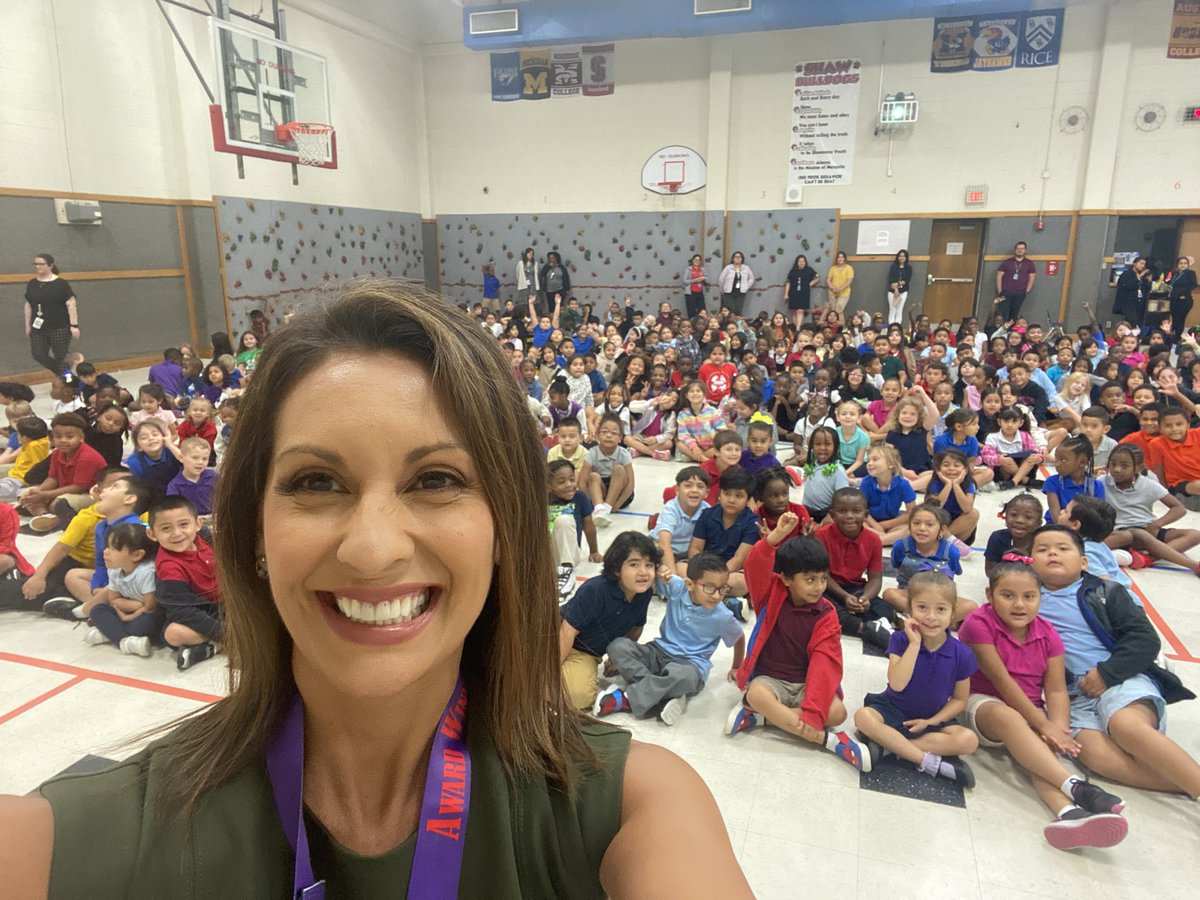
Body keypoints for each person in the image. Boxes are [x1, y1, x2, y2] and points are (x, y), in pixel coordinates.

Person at [9, 284, 752, 896]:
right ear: (252, 532)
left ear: (505, 531)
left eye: (436, 480)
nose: (371, 548)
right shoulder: (78, 842)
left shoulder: (634, 809)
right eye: (315, 482)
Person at [959, 563, 1129, 850]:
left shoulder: (1049, 634)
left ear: (1041, 598)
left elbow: (1056, 688)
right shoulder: (978, 624)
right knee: (1011, 718)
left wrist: (1057, 729)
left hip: (1028, 709)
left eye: (1029, 596)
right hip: (980, 703)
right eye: (1008, 595)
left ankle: (1067, 813)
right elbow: (1002, 682)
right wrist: (1043, 725)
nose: (1019, 604)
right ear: (990, 594)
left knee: (1045, 750)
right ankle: (1078, 786)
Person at [1029, 525, 1200, 801]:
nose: (1053, 553)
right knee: (1093, 756)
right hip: (1072, 697)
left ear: (1083, 561)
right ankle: (1185, 780)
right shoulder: (1025, 597)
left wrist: (1107, 674)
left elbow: (1144, 639)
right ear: (1030, 561)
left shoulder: (1106, 592)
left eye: (1063, 548)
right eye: (1042, 549)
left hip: (1122, 679)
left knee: (1126, 726)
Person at [725, 525, 871, 768]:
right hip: (771, 680)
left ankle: (762, 719)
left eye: (823, 578)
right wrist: (774, 538)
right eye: (810, 579)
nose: (819, 586)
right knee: (756, 694)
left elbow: (825, 663)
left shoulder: (826, 614)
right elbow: (754, 567)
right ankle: (829, 741)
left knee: (838, 713)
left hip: (806, 683)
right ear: (786, 578)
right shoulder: (771, 594)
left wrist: (813, 711)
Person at [853, 572, 979, 785]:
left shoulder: (962, 654)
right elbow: (897, 684)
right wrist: (914, 645)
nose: (931, 616)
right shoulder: (900, 640)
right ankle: (926, 761)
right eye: (922, 608)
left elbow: (959, 700)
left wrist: (932, 721)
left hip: (931, 717)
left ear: (953, 613)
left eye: (941, 609)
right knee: (863, 717)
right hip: (892, 708)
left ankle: (888, 746)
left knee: (968, 740)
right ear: (909, 609)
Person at [596, 554, 745, 726]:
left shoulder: (723, 616)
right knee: (617, 646)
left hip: (690, 664)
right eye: (710, 588)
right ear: (689, 584)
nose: (717, 596)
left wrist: (736, 666)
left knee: (683, 676)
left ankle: (627, 698)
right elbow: (654, 576)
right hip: (658, 651)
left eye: (723, 589)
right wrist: (660, 570)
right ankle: (661, 695)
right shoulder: (677, 587)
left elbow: (739, 637)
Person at [814, 487, 889, 647]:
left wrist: (866, 598)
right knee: (820, 607)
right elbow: (823, 575)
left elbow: (875, 578)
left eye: (856, 511)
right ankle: (864, 628)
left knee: (885, 609)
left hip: (856, 588)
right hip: (827, 587)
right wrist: (844, 597)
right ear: (832, 515)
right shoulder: (821, 536)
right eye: (842, 511)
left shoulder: (874, 540)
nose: (849, 516)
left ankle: (873, 621)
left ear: (866, 515)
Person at [18, 412, 107, 532]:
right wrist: (38, 491)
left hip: (91, 495)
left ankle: (55, 516)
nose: (63, 440)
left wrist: (44, 495)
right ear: (52, 438)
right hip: (66, 490)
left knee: (61, 502)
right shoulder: (56, 453)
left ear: (81, 438)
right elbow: (52, 478)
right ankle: (45, 515)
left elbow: (78, 488)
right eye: (58, 436)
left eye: (69, 437)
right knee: (24, 493)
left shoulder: (87, 456)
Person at [686, 467, 761, 600]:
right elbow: (696, 548)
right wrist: (700, 571)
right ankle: (724, 600)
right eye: (727, 494)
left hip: (730, 572)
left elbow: (739, 559)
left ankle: (699, 594)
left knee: (741, 583)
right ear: (719, 494)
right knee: (681, 568)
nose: (731, 500)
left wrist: (716, 577)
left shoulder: (752, 523)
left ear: (748, 499)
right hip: (703, 566)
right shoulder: (707, 515)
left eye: (738, 496)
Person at [24, 253, 80, 375]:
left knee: (61, 356)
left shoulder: (60, 283)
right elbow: (28, 305)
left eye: (41, 264)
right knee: (38, 354)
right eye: (36, 264)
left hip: (59, 326)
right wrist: (28, 325)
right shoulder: (32, 283)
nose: (38, 267)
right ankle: (66, 374)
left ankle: (68, 381)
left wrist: (74, 325)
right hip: (39, 326)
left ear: (50, 265)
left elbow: (71, 304)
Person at [652, 466, 712, 575]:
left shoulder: (707, 510)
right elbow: (664, 543)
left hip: (686, 552)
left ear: (707, 493)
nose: (694, 490)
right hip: (660, 546)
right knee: (656, 568)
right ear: (677, 490)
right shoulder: (670, 509)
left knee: (689, 571)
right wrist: (673, 576)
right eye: (688, 486)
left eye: (700, 486)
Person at [579, 413, 636, 525]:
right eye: (604, 431)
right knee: (593, 476)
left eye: (614, 433)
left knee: (619, 469)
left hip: (620, 495)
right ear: (597, 435)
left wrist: (617, 505)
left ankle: (607, 507)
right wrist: (591, 501)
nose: (608, 435)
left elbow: (630, 484)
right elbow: (582, 483)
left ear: (620, 438)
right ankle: (600, 508)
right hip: (600, 492)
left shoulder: (623, 454)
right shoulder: (592, 453)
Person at [994, 241, 1036, 321]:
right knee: (1002, 313)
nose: (1020, 250)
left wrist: (1027, 291)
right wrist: (1000, 291)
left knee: (1014, 314)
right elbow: (999, 276)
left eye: (1022, 249)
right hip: (1006, 292)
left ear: (1025, 250)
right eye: (1018, 248)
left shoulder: (1029, 263)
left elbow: (1032, 277)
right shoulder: (1007, 262)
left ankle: (1011, 331)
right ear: (1015, 250)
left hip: (1020, 293)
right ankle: (1001, 331)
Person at [784, 253, 819, 331]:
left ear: (805, 262)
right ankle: (796, 327)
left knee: (800, 311)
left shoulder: (809, 270)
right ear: (797, 262)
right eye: (800, 261)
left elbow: (817, 277)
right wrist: (786, 294)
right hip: (793, 293)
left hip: (804, 293)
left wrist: (810, 283)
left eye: (803, 261)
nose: (801, 263)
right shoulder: (793, 271)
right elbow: (788, 282)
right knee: (794, 311)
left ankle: (798, 328)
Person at [1113, 256, 1149, 331]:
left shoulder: (1143, 276)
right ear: (1134, 264)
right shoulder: (1127, 274)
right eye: (1141, 263)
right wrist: (1139, 278)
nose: (1142, 266)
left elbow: (1145, 287)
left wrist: (1148, 281)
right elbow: (1129, 286)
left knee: (1139, 320)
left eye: (1144, 264)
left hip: (1138, 301)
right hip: (1127, 302)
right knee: (1132, 320)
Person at [1168, 256, 1197, 346]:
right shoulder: (1174, 273)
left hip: (1184, 299)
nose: (1183, 265)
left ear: (1188, 265)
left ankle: (1177, 338)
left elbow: (1193, 285)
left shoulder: (1190, 273)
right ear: (1177, 265)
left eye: (1185, 263)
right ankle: (1173, 336)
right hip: (1174, 299)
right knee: (1174, 318)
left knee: (1180, 318)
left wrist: (1183, 293)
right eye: (1181, 263)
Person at [717, 251, 754, 317]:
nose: (738, 258)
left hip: (740, 293)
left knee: (738, 310)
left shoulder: (746, 268)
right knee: (731, 310)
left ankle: (737, 325)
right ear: (733, 258)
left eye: (739, 257)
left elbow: (751, 278)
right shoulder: (728, 268)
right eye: (736, 257)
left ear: (742, 258)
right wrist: (723, 289)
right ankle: (730, 325)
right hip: (728, 293)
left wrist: (746, 287)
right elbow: (721, 279)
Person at [540, 250, 570, 319]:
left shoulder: (561, 267)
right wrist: (548, 267)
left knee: (560, 306)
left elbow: (565, 278)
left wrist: (567, 289)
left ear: (556, 258)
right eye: (550, 258)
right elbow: (542, 274)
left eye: (552, 258)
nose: (551, 260)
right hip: (549, 290)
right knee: (551, 307)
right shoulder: (546, 267)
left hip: (560, 289)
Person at [824, 251, 854, 320]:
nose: (840, 259)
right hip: (832, 292)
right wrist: (832, 288)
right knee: (833, 312)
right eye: (839, 257)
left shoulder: (849, 268)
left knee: (839, 310)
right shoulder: (833, 268)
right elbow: (828, 279)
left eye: (842, 257)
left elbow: (849, 281)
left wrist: (840, 289)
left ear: (845, 259)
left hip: (844, 293)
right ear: (836, 259)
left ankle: (841, 328)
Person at [886, 249, 912, 326]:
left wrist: (898, 284)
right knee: (892, 309)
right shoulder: (893, 267)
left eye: (904, 256)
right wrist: (896, 289)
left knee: (899, 310)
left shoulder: (909, 268)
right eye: (900, 256)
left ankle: (897, 326)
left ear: (906, 257)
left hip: (903, 291)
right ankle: (891, 326)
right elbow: (891, 280)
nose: (902, 258)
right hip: (892, 291)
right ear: (897, 257)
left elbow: (906, 281)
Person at [516, 246, 540, 321]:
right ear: (526, 254)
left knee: (533, 302)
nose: (530, 255)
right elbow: (517, 274)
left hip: (533, 285)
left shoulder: (535, 264)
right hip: (524, 285)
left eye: (532, 254)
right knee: (524, 303)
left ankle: (532, 317)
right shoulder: (521, 263)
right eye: (529, 253)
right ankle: (524, 318)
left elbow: (537, 274)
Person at [684, 253, 707, 318]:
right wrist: (696, 280)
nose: (697, 261)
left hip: (700, 292)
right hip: (691, 293)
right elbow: (685, 281)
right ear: (692, 260)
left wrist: (704, 279)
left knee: (702, 310)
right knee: (691, 310)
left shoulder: (703, 269)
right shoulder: (688, 269)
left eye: (698, 260)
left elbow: (707, 279)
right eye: (695, 260)